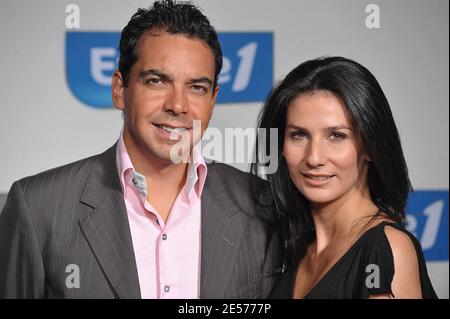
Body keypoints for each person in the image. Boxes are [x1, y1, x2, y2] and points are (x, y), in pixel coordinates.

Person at [0, 0, 280, 298]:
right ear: (120, 90)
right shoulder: (39, 207)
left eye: (197, 87)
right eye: (157, 81)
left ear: (213, 99)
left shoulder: (262, 206)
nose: (177, 105)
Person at [251, 56, 437, 299]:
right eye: (299, 135)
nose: (314, 157)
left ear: (369, 146)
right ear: (281, 146)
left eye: (336, 136)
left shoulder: (385, 249)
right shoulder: (297, 250)